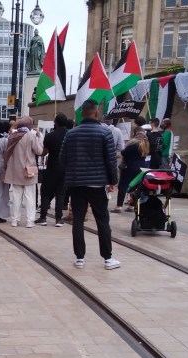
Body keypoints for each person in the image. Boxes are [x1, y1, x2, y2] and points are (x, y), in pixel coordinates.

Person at [61, 99, 120, 270]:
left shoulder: (71, 134)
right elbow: (111, 160)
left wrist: (72, 174)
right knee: (102, 219)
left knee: (78, 220)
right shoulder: (105, 133)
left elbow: (62, 159)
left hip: (77, 183)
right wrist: (112, 181)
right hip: (97, 183)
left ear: (82, 113)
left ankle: (80, 258)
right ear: (96, 112)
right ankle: (108, 259)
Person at [3, 116, 43, 228]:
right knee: (30, 197)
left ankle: (15, 220)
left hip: (15, 170)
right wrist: (39, 137)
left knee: (16, 197)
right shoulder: (31, 135)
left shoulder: (12, 136)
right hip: (28, 171)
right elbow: (39, 151)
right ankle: (30, 221)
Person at [35, 112, 68, 226]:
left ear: (56, 123)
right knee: (60, 193)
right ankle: (59, 219)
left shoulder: (50, 136)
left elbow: (44, 152)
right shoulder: (70, 135)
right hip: (64, 169)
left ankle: (43, 217)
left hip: (51, 168)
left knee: (45, 192)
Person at [112, 127, 149, 213]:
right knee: (135, 186)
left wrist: (128, 145)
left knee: (123, 186)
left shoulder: (133, 144)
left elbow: (123, 152)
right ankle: (132, 206)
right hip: (141, 167)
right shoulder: (145, 144)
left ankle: (119, 206)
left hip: (130, 167)